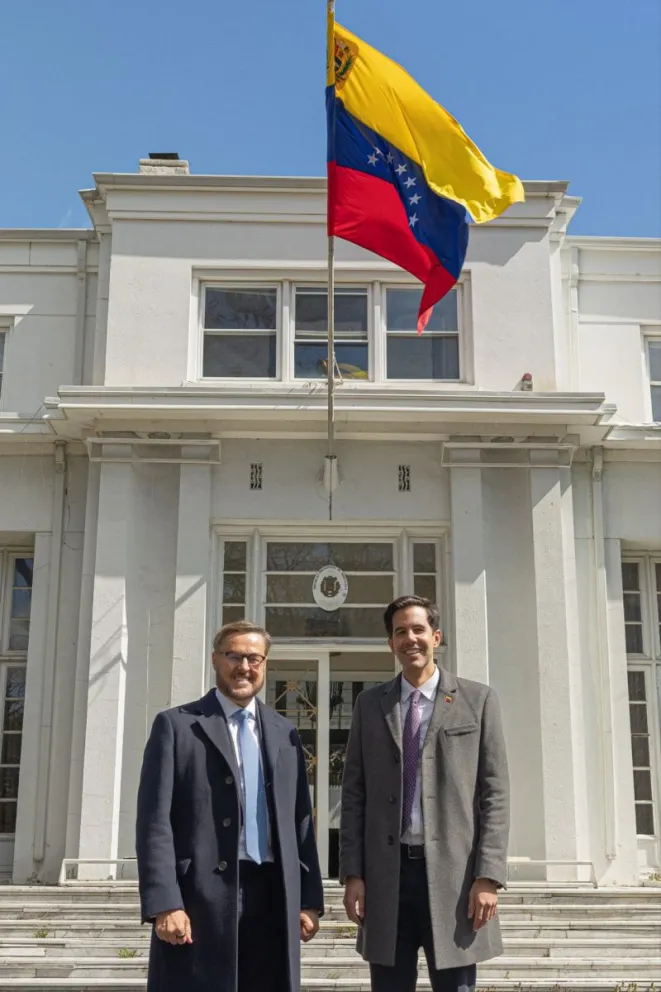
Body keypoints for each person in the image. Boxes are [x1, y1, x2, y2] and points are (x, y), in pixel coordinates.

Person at [136, 620, 324, 992]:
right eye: (234, 656)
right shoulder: (177, 726)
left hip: (272, 894)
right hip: (200, 898)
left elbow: (300, 822)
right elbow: (154, 822)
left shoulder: (284, 733)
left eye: (255, 658)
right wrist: (165, 903)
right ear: (215, 659)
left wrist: (309, 900)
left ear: (265, 664)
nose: (244, 667)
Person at [340, 595, 509, 992]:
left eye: (418, 629)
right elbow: (354, 795)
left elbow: (495, 795)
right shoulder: (370, 706)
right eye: (400, 632)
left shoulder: (477, 701)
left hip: (456, 879)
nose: (410, 639)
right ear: (391, 643)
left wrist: (488, 875)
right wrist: (353, 873)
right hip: (387, 877)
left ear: (436, 636)